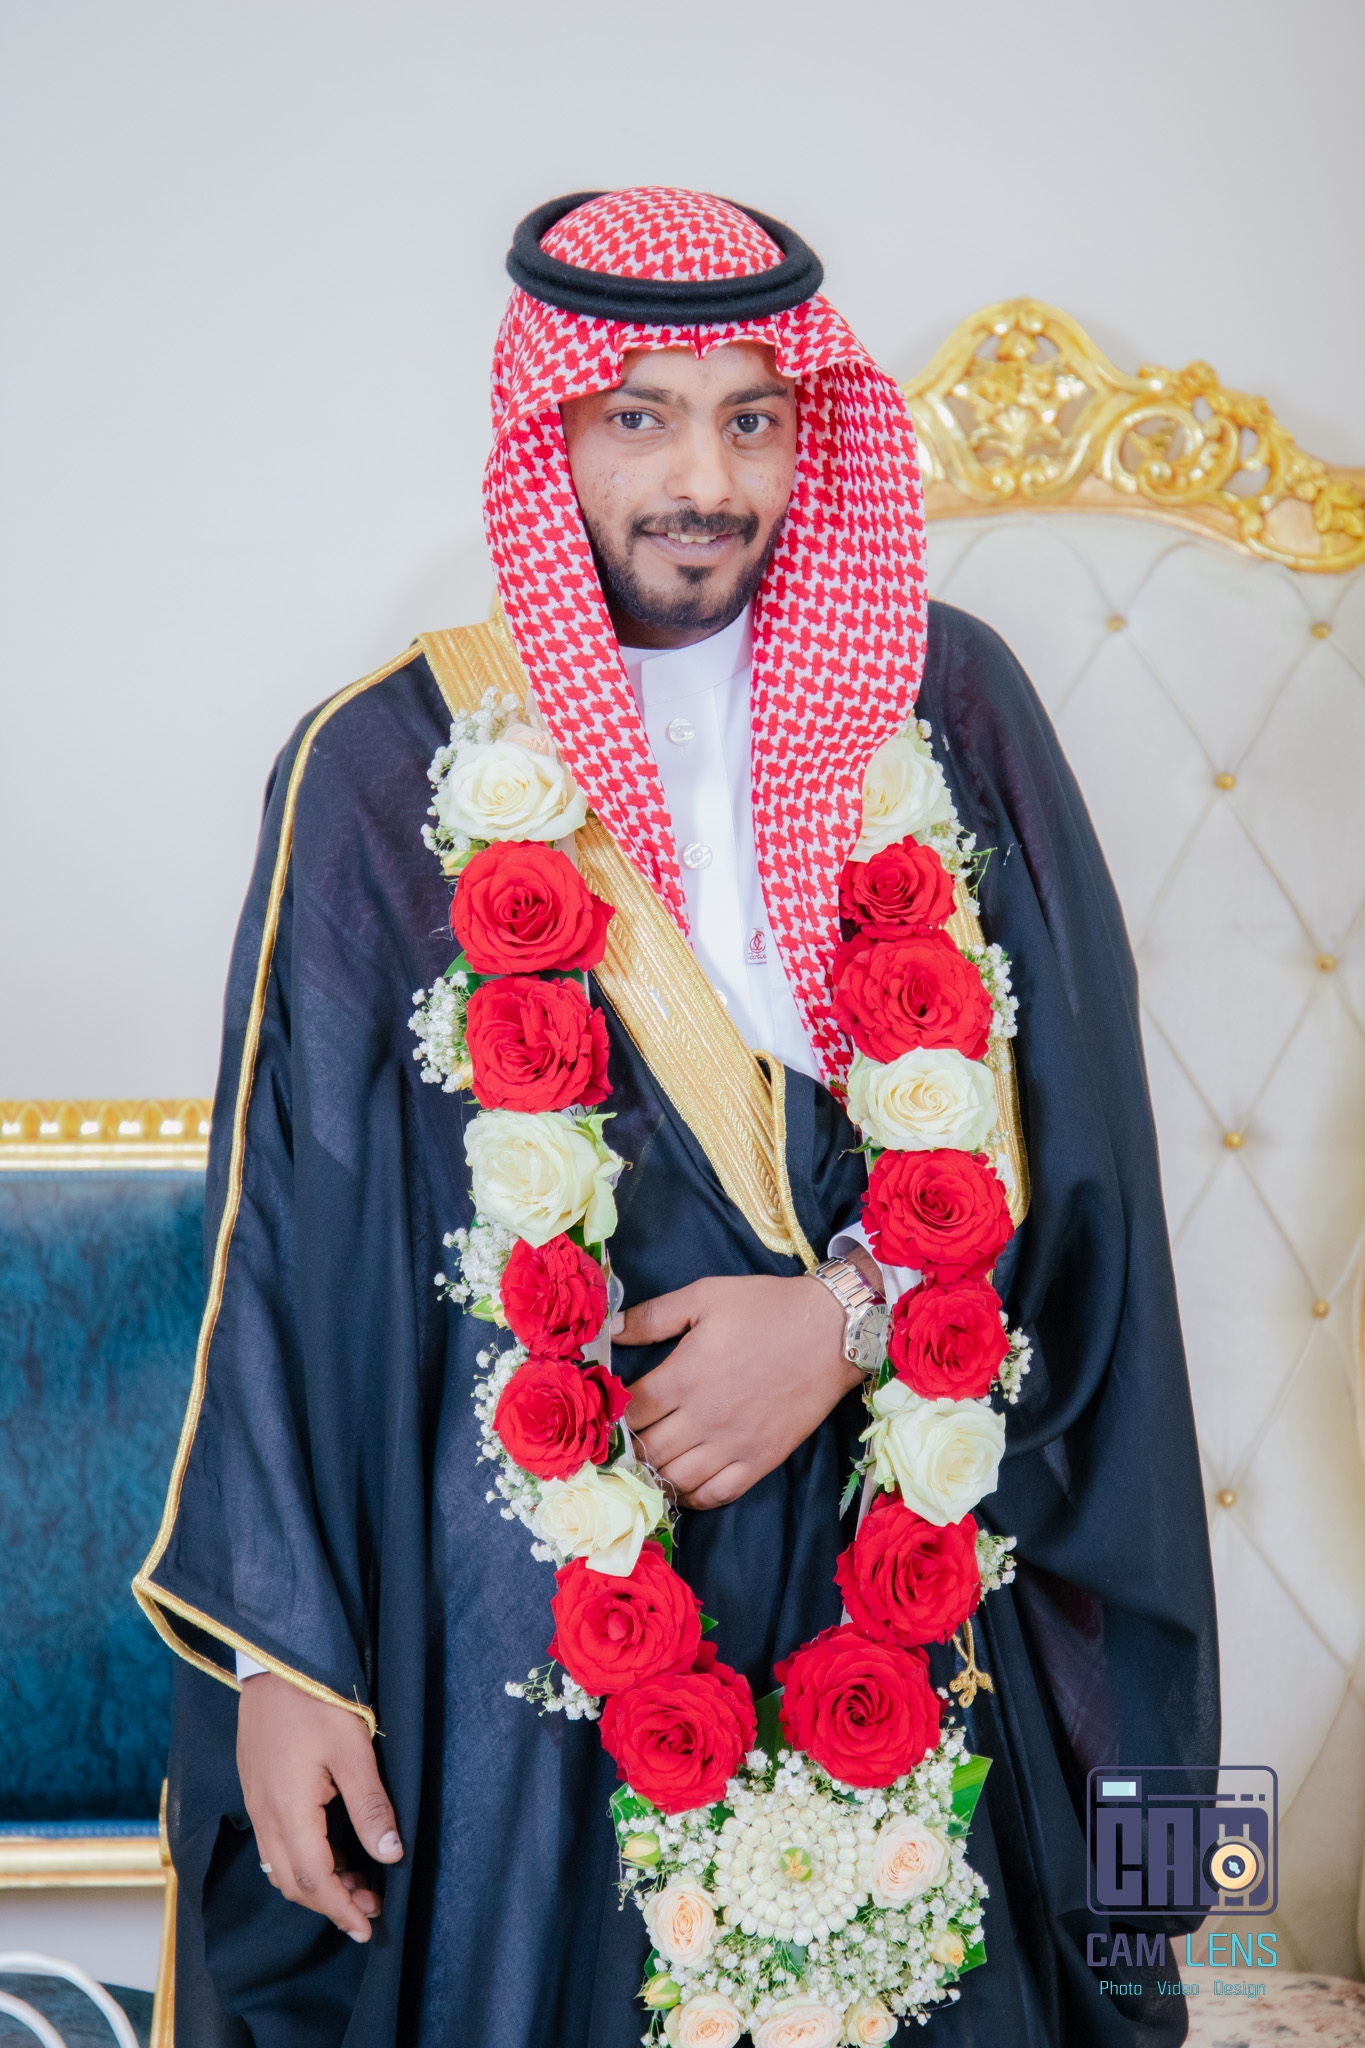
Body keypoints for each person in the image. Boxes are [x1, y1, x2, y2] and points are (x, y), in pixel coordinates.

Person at [135, 188, 1218, 2047]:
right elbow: (284, 1245)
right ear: (546, 429)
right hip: (522, 1638)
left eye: (750, 419)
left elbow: (1081, 1158)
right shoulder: (382, 766)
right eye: (637, 416)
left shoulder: (949, 707)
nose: (702, 481)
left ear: (810, 434)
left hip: (911, 1566)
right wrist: (279, 1663)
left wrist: (849, 1316)